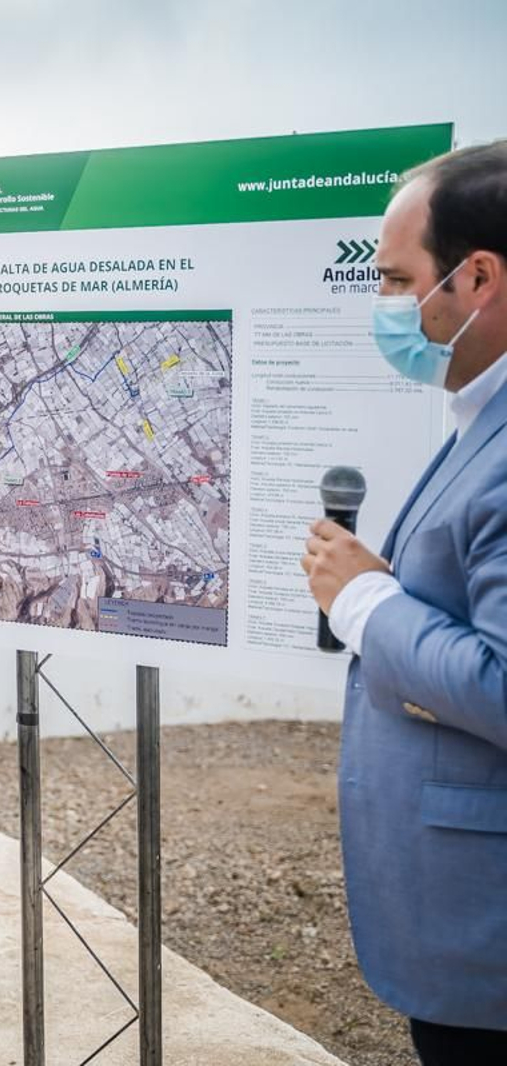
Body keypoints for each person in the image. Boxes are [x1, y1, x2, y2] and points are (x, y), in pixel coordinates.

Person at [302, 141, 507, 1065]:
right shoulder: (480, 415)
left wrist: (369, 602)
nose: (386, 305)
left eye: (396, 280)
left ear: (478, 278)